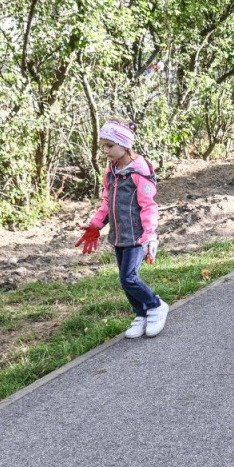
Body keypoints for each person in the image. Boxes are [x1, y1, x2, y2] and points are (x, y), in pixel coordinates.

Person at [76, 117, 168, 339]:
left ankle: (155, 305)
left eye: (110, 146)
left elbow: (148, 206)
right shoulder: (111, 172)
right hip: (118, 236)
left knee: (129, 278)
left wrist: (150, 235)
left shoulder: (139, 172)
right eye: (103, 146)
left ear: (125, 145)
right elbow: (108, 203)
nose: (105, 151)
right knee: (124, 279)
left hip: (137, 236)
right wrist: (95, 225)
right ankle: (141, 313)